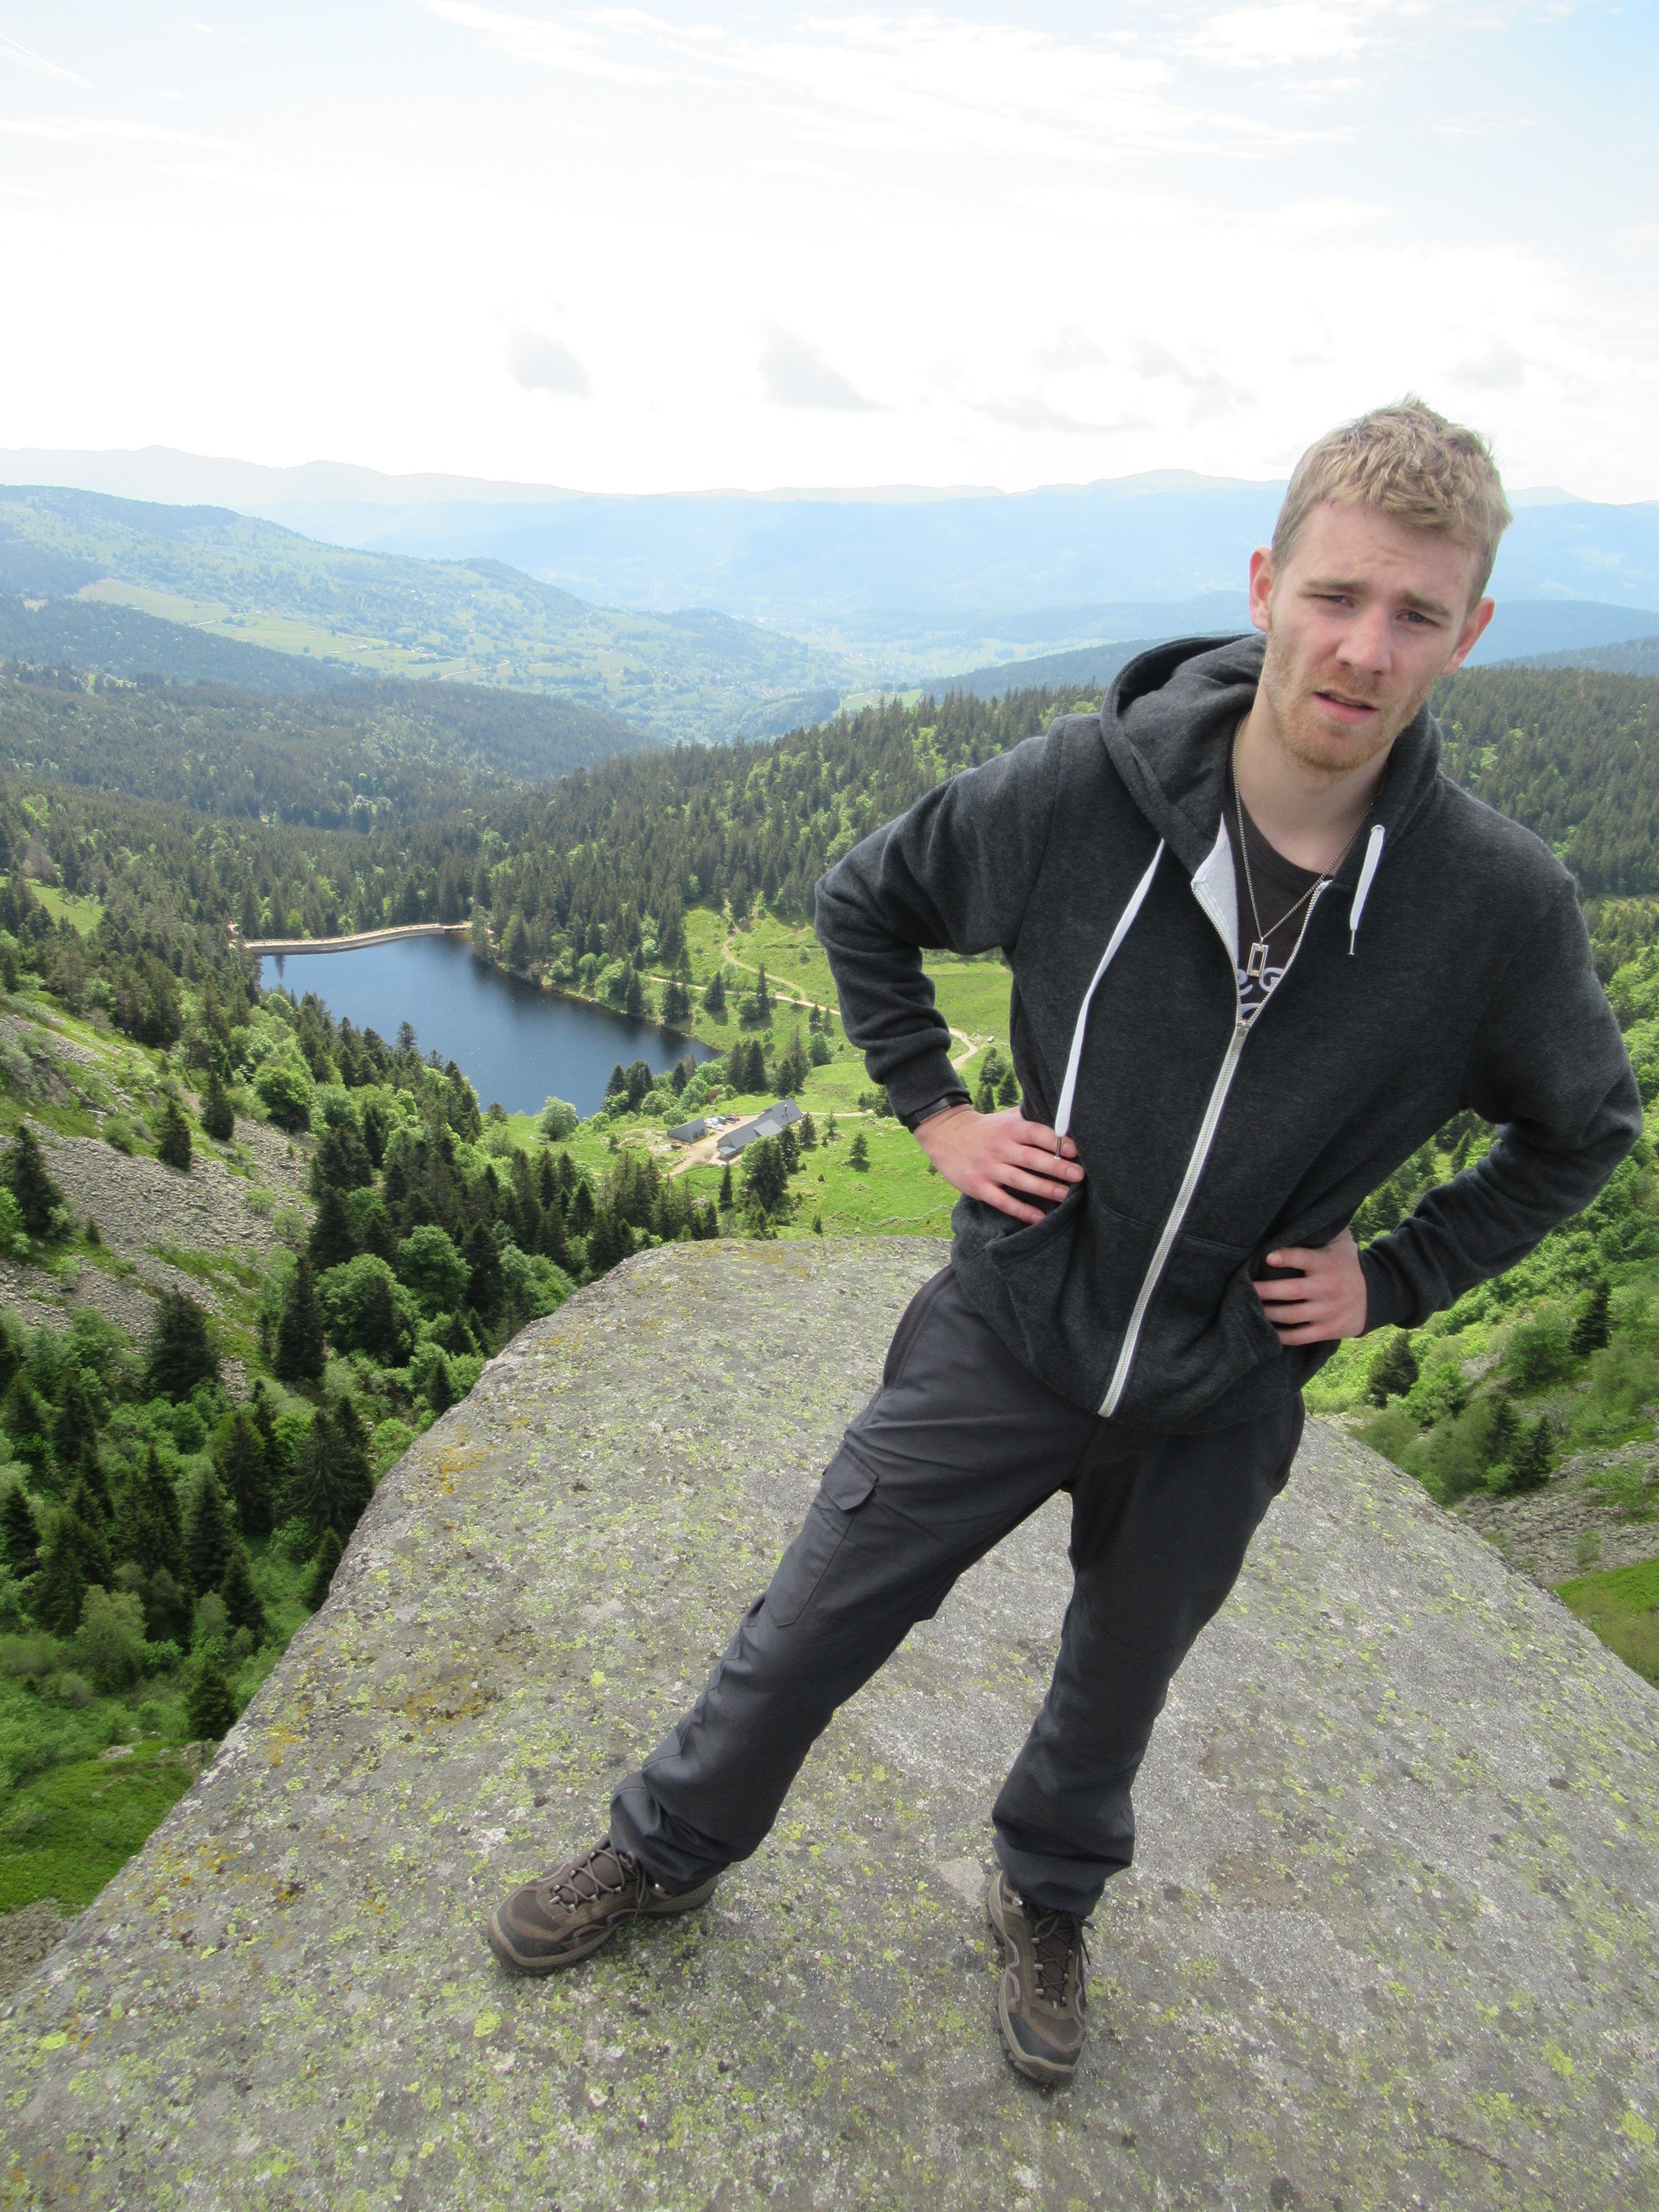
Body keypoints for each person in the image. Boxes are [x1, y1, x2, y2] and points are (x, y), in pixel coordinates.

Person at [485, 399, 1639, 2087]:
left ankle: (1045, 1896)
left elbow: (1584, 1128)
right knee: (819, 1609)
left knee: (1120, 1678)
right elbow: (868, 900)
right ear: (1267, 585)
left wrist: (1397, 1278)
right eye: (1337, 595)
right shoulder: (1086, 796)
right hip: (1015, 1319)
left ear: (1469, 637)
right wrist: (935, 1112)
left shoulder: (1491, 905)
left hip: (1224, 1387)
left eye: (1416, 614)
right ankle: (666, 1848)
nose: (1364, 648)